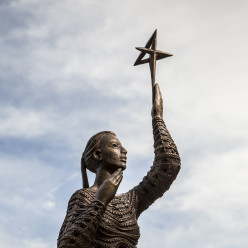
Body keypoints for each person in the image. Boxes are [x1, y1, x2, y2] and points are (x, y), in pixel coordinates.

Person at [57, 83, 181, 248]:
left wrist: (157, 118)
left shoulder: (130, 202)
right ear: (97, 154)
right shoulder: (83, 197)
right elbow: (69, 245)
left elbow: (168, 166)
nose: (124, 150)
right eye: (115, 146)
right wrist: (101, 201)